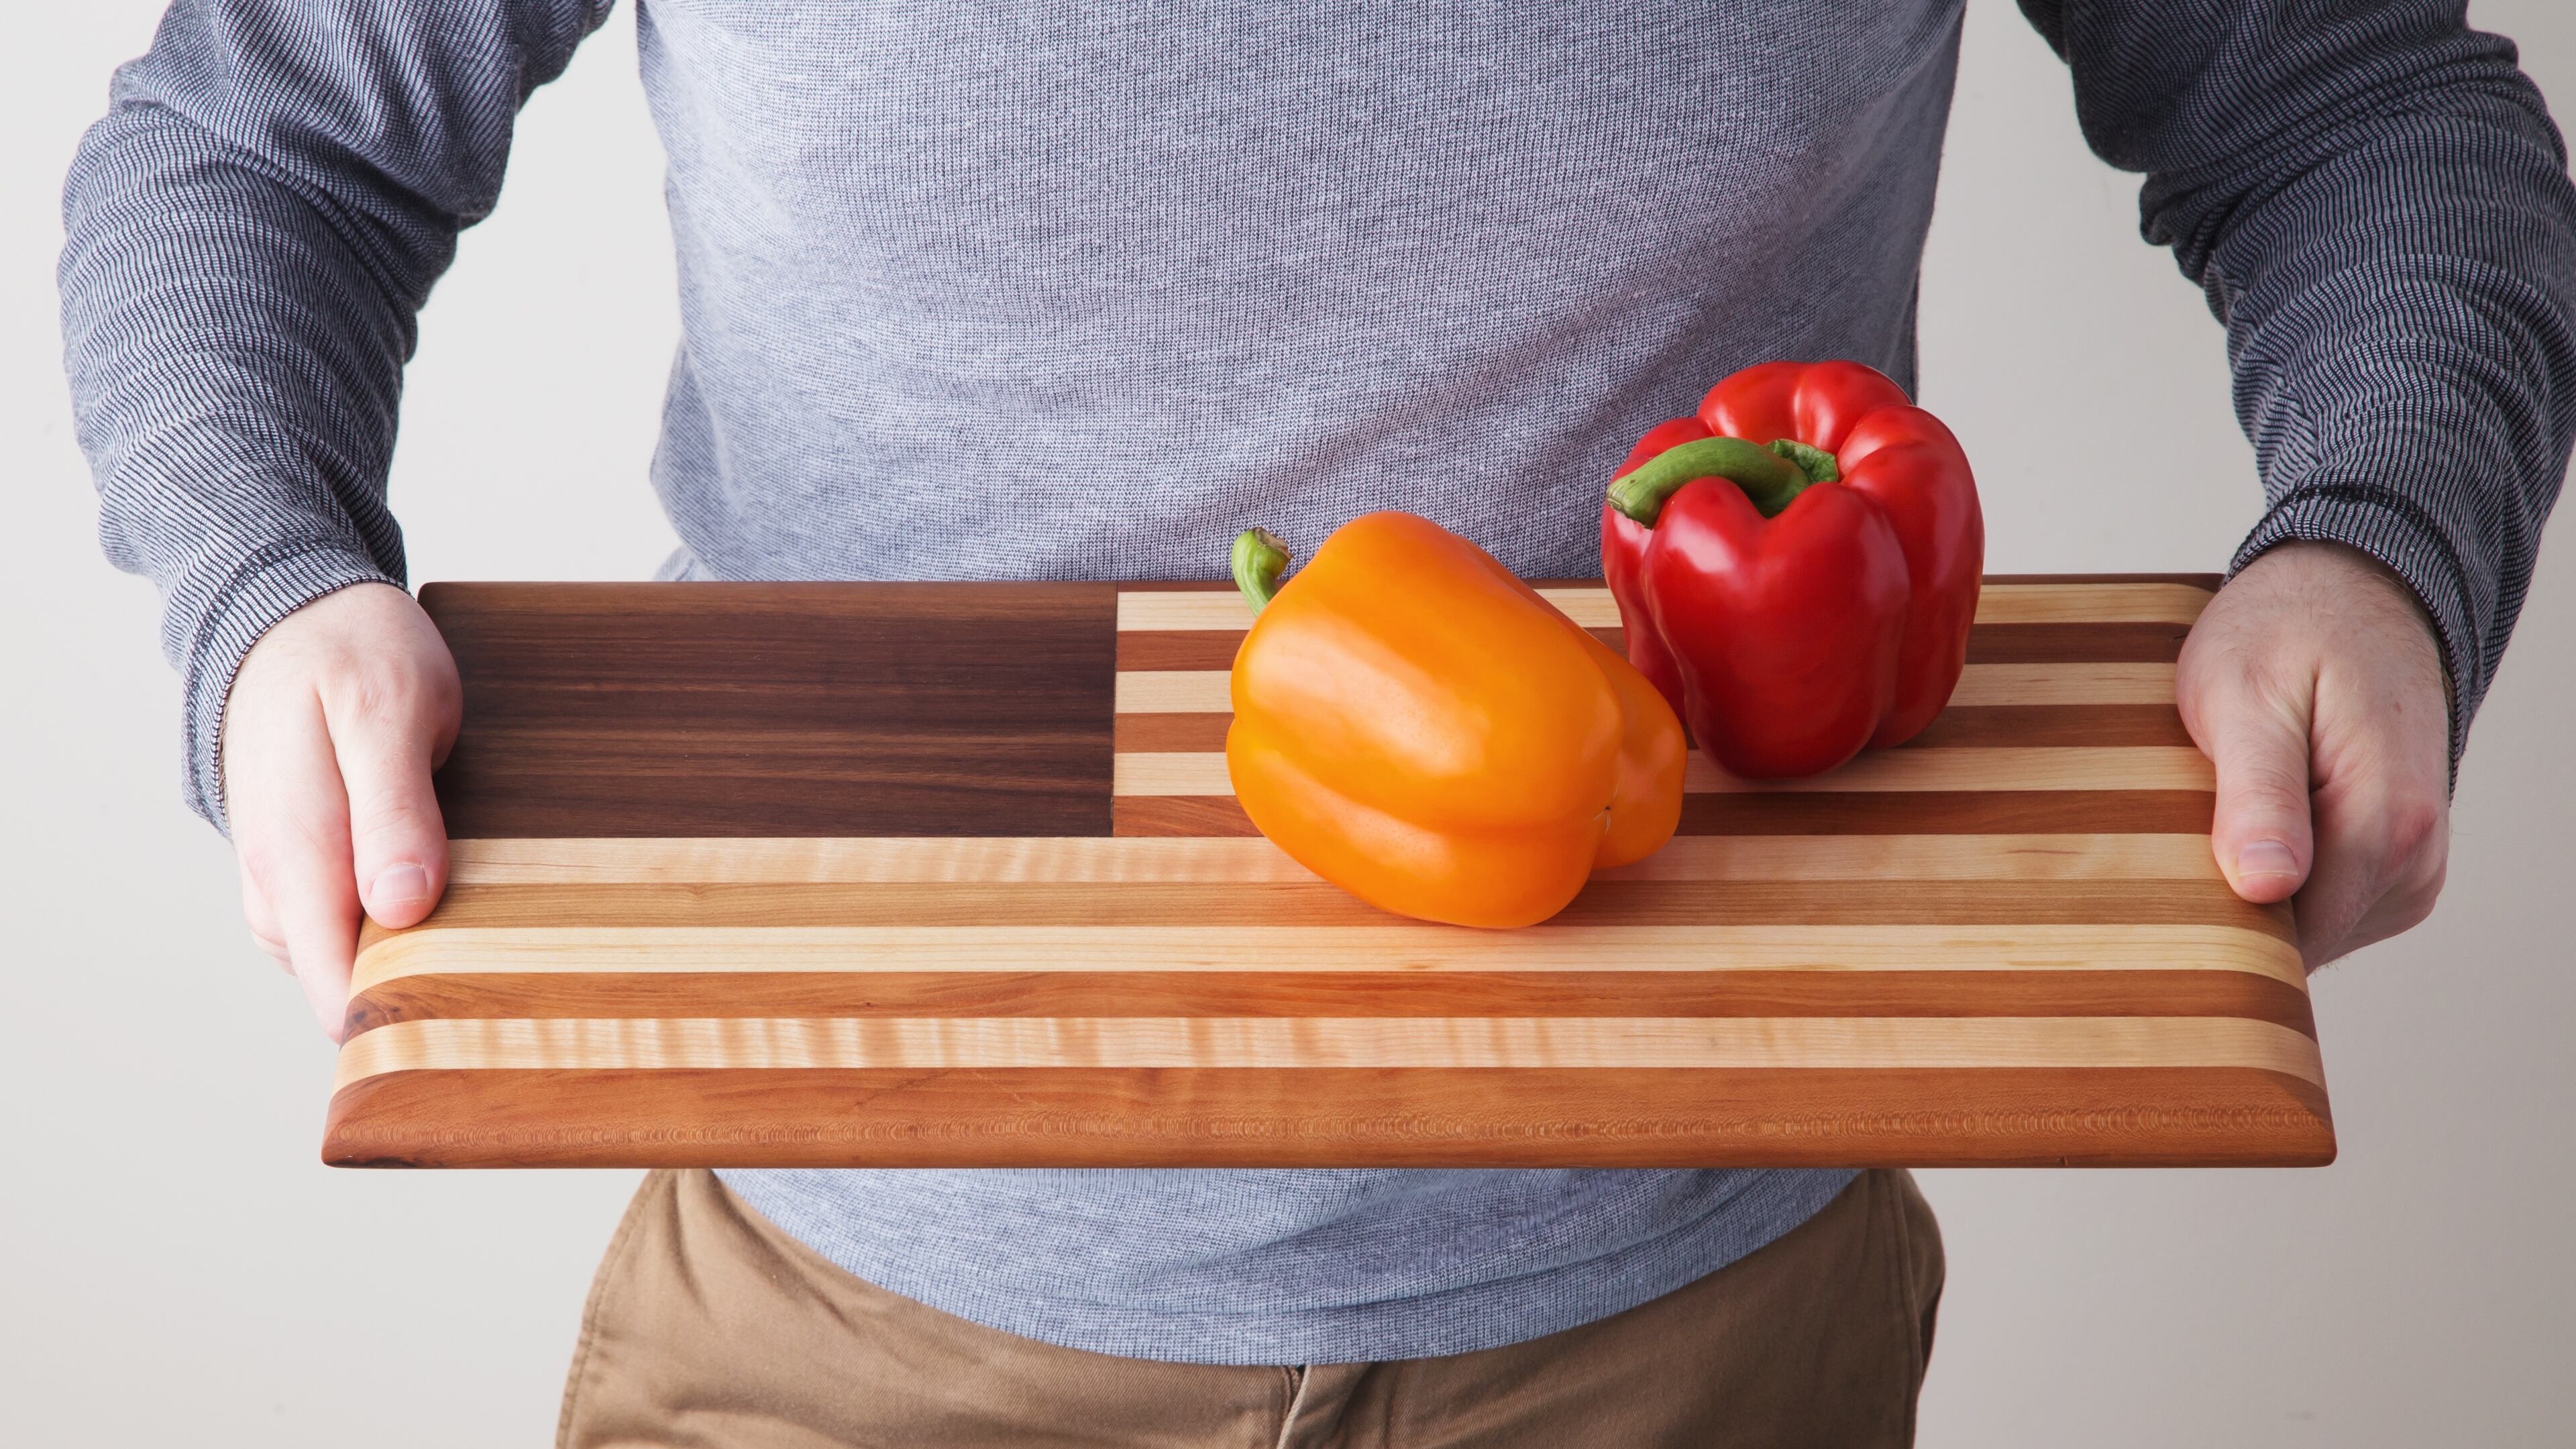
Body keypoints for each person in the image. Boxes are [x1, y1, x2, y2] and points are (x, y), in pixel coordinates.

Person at [58, 1, 2575, 1444]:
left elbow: (2362, 105)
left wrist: (2372, 533)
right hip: (850, 1332)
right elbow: (245, 142)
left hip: (1692, 1342)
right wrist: (275, 591)